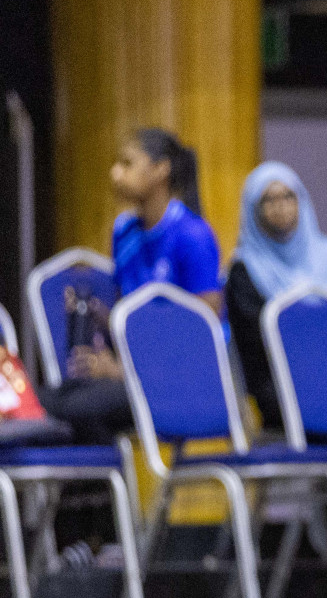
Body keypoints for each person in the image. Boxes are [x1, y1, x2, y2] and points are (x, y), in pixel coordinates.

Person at [39, 128, 221, 443]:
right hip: (136, 375)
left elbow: (201, 329)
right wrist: (97, 314)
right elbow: (133, 316)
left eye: (127, 163)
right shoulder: (124, 231)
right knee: (46, 399)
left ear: (160, 170)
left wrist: (125, 371)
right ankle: (97, 490)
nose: (115, 173)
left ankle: (95, 490)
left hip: (183, 381)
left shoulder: (193, 234)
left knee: (70, 408)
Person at [226, 161, 327, 429]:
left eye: (289, 196)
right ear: (253, 209)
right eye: (269, 199)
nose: (281, 206)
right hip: (280, 384)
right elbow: (263, 341)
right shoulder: (243, 270)